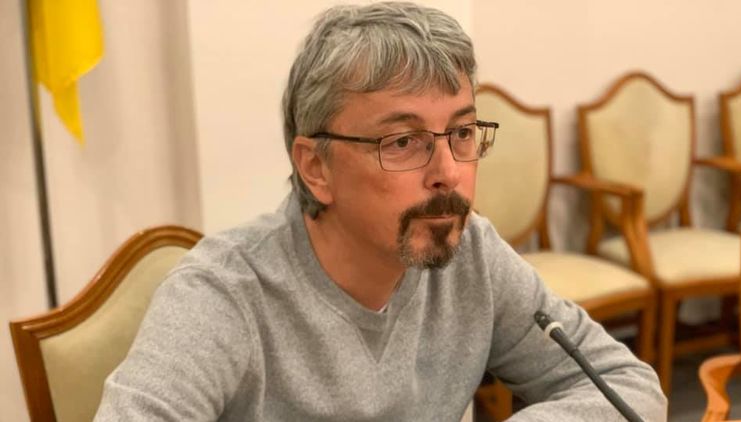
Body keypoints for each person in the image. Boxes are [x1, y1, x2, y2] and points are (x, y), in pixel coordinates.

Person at [95, 2, 667, 421]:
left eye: (462, 133)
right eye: (403, 142)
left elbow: (628, 386)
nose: (448, 172)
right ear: (316, 167)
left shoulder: (472, 255)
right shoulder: (224, 296)